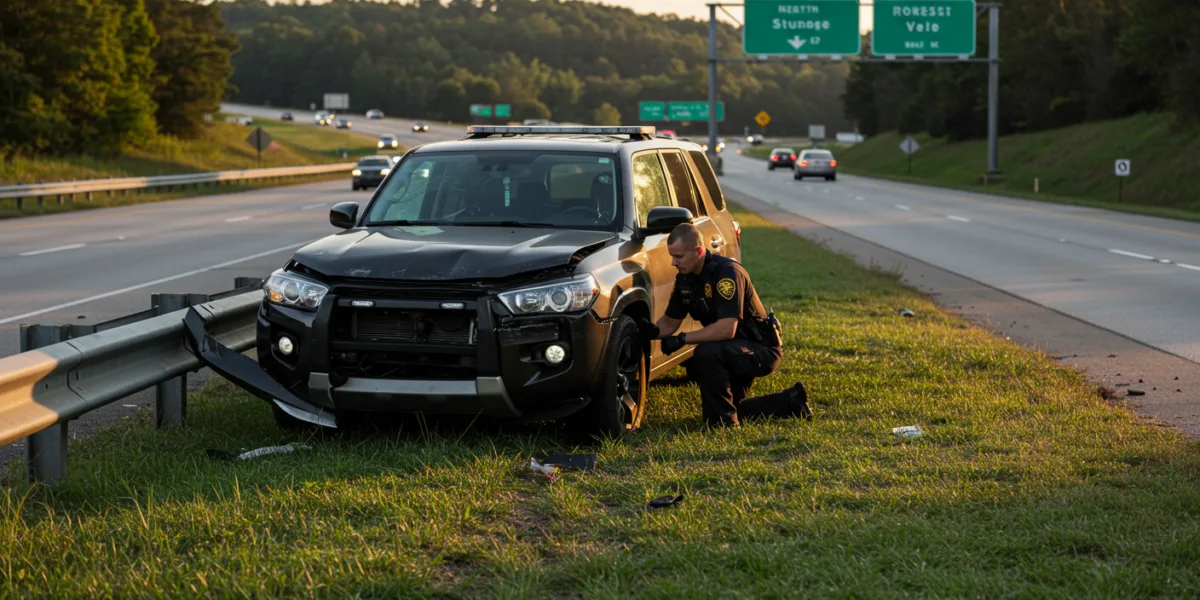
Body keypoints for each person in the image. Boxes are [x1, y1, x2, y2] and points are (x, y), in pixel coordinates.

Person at [638, 223, 813, 427]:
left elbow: (727, 328)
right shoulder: (686, 279)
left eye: (679, 256)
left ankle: (724, 424)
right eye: (672, 256)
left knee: (706, 353)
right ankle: (791, 401)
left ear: (698, 251)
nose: (673, 262)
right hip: (733, 349)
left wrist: (682, 339)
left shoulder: (727, 273)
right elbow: (670, 321)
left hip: (760, 349)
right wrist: (653, 331)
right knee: (733, 407)